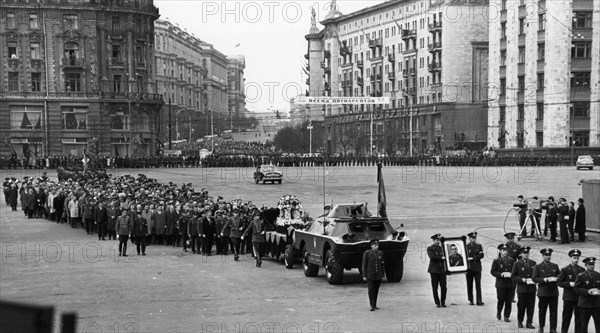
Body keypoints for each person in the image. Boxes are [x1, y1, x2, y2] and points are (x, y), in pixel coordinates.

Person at [532, 248, 560, 333]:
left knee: (554, 312)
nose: (548, 257)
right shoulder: (538, 266)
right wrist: (544, 280)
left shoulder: (555, 266)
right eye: (546, 255)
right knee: (542, 312)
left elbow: (560, 276)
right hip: (543, 292)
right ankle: (541, 327)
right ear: (543, 256)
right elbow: (534, 278)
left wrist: (556, 278)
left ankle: (553, 329)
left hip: (553, 292)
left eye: (549, 255)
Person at [558, 249, 584, 333]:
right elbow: (560, 282)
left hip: (578, 298)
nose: (576, 260)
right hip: (568, 297)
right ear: (571, 258)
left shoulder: (582, 269)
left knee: (579, 318)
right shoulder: (565, 269)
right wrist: (569, 284)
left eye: (577, 258)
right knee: (566, 317)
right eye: (574, 258)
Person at [511, 246, 536, 329]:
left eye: (527, 253)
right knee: (521, 306)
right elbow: (513, 276)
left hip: (531, 288)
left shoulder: (533, 263)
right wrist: (522, 279)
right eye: (524, 253)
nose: (526, 255)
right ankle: (520, 321)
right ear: (521, 254)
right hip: (522, 289)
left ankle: (529, 322)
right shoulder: (517, 264)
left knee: (531, 306)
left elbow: (536, 275)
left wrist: (535, 280)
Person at [574, 257, 600, 333]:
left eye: (593, 264)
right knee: (583, 325)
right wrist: (587, 292)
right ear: (586, 265)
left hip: (596, 304)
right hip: (585, 305)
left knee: (598, 325)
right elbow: (576, 288)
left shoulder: (598, 275)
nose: (592, 266)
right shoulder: (581, 276)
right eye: (590, 264)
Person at [491, 244, 514, 322]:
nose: (505, 252)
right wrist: (501, 274)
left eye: (506, 251)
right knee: (501, 299)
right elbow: (493, 272)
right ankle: (499, 311)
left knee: (509, 300)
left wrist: (511, 274)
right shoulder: (496, 261)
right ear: (500, 251)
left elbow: (514, 270)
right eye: (503, 250)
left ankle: (506, 316)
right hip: (501, 283)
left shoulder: (511, 260)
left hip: (510, 283)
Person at [362, 239, 385, 311]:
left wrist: (383, 274)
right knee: (371, 290)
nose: (376, 247)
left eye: (377, 245)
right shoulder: (367, 253)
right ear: (371, 246)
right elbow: (364, 265)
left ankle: (375, 304)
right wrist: (364, 275)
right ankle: (372, 305)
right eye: (375, 245)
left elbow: (382, 264)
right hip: (370, 275)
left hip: (378, 275)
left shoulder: (380, 253)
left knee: (376, 290)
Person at [427, 233, 447, 308]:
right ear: (433, 240)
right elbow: (432, 257)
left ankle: (443, 301)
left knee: (444, 287)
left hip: (442, 270)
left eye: (438, 240)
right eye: (436, 240)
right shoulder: (430, 248)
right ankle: (437, 302)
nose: (437, 241)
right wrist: (441, 258)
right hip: (434, 270)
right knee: (435, 287)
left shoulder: (442, 248)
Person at [466, 232, 484, 306]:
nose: (473, 239)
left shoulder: (479, 246)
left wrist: (473, 258)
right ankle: (471, 300)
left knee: (478, 285)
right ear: (469, 238)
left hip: (477, 268)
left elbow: (481, 255)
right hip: (469, 268)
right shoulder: (466, 246)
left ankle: (479, 300)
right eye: (472, 238)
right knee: (469, 284)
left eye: (474, 238)